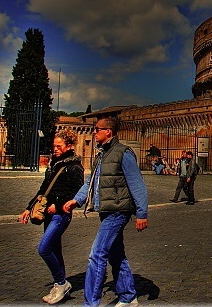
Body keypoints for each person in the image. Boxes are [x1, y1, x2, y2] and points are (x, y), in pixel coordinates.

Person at [63, 117, 148, 307]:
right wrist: (76, 200)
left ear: (108, 131)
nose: (94, 132)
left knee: (97, 254)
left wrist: (142, 214)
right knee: (115, 254)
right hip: (106, 210)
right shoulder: (101, 155)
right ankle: (128, 296)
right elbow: (90, 182)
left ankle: (90, 303)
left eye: (97, 129)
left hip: (118, 211)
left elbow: (137, 185)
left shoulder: (123, 153)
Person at [19, 129, 84, 305]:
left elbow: (77, 193)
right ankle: (60, 285)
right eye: (54, 145)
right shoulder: (54, 164)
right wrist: (28, 208)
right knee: (55, 250)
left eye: (58, 146)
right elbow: (44, 189)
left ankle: (62, 283)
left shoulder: (75, 167)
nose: (54, 149)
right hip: (47, 214)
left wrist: (59, 202)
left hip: (61, 215)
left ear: (69, 146)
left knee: (44, 249)